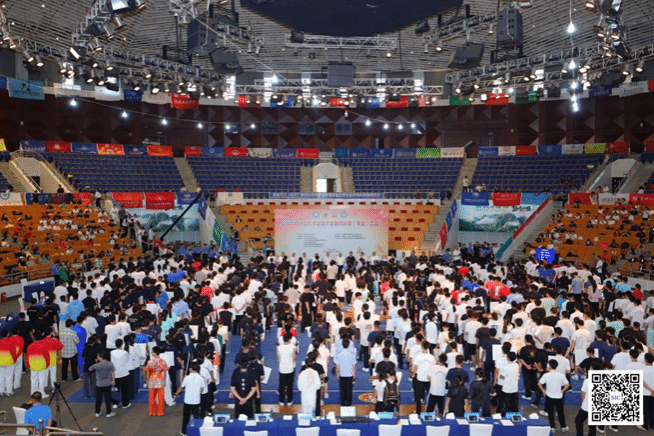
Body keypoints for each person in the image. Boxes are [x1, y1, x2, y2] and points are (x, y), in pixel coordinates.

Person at [538, 359, 570, 432]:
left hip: (549, 396)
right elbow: (567, 384)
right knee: (560, 412)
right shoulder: (561, 375)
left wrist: (543, 390)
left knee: (550, 412)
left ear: (549, 366)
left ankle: (552, 427)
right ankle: (563, 426)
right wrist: (562, 390)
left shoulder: (546, 375)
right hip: (559, 396)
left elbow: (539, 384)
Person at [175, 363, 206, 436]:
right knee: (196, 417)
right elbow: (201, 390)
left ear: (191, 369)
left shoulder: (187, 378)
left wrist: (176, 394)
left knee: (186, 417)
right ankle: (196, 431)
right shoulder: (201, 378)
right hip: (196, 400)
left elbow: (181, 388)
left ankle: (184, 431)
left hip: (188, 401)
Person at [89, 350, 116, 418]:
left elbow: (90, 369)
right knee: (108, 398)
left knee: (98, 399)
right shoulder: (110, 364)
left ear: (101, 357)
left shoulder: (96, 365)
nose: (97, 357)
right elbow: (112, 372)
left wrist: (96, 362)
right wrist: (113, 380)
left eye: (98, 356)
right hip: (107, 383)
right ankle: (108, 412)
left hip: (99, 384)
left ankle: (97, 412)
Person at [143, 346, 168, 417]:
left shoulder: (150, 362)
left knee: (152, 397)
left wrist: (147, 381)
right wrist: (164, 381)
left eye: (152, 352)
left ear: (155, 353)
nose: (151, 353)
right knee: (160, 398)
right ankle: (160, 412)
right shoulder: (163, 362)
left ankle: (152, 412)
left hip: (152, 380)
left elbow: (147, 372)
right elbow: (164, 372)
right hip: (160, 380)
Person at [230, 354, 257, 419]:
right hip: (248, 401)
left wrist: (240, 399)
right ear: (248, 364)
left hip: (239, 401)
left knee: (238, 419)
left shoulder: (236, 372)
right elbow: (253, 389)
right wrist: (245, 399)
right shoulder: (251, 372)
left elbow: (233, 388)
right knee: (249, 419)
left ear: (239, 364)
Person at [334, 338, 357, 406]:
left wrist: (337, 374)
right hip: (350, 374)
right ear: (349, 345)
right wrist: (354, 374)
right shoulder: (352, 354)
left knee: (342, 389)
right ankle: (349, 402)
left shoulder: (339, 354)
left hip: (342, 374)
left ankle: (342, 403)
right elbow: (354, 365)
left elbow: (337, 366)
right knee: (349, 389)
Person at [110, 339, 131, 409]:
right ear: (122, 344)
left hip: (115, 373)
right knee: (125, 389)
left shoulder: (111, 352)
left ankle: (115, 403)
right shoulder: (125, 352)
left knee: (115, 389)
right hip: (124, 373)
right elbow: (127, 360)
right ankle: (125, 404)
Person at [277, 332, 297, 406]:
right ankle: (289, 401)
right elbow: (294, 358)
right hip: (290, 369)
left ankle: (281, 401)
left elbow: (278, 358)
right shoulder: (293, 347)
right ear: (290, 339)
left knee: (282, 385)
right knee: (289, 386)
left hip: (282, 369)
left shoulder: (279, 348)